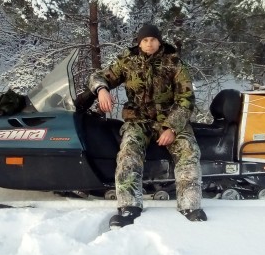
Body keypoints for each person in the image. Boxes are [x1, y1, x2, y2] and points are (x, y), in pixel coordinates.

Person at [88, 24, 207, 228]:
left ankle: (190, 205)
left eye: (153, 39)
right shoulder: (127, 61)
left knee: (188, 150)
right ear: (139, 42)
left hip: (170, 119)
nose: (149, 43)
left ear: (160, 41)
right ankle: (129, 206)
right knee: (128, 151)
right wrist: (101, 90)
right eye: (145, 40)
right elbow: (98, 76)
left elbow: (186, 98)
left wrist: (172, 127)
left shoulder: (174, 62)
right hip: (138, 120)